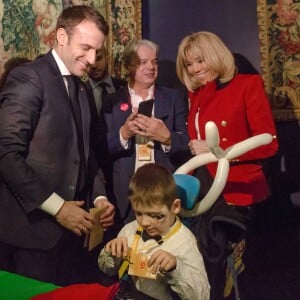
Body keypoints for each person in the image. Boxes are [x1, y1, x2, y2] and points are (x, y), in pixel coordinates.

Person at [0, 5, 115, 286]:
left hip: (74, 237)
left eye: (96, 52)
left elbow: (88, 156)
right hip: (32, 237)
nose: (91, 59)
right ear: (61, 36)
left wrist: (100, 198)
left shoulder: (83, 87)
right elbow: (5, 153)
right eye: (85, 47)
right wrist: (58, 208)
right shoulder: (29, 77)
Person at [176, 31, 279, 299]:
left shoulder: (247, 84)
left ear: (215, 56)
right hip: (203, 189)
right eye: (189, 64)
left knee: (227, 272)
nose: (196, 69)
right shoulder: (196, 95)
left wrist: (221, 153)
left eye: (201, 60)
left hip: (236, 191)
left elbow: (269, 143)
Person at [102, 39, 190, 223]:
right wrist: (124, 134)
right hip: (125, 195)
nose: (151, 67)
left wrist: (167, 138)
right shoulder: (111, 101)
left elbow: (187, 145)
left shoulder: (173, 98)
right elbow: (100, 150)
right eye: (143, 62)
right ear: (128, 66)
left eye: (154, 61)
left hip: (163, 191)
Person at [98, 163, 210, 300]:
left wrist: (176, 267)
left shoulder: (185, 242)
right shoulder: (130, 230)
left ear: (175, 207)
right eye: (138, 213)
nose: (145, 222)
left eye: (156, 216)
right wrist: (111, 254)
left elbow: (202, 295)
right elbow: (106, 270)